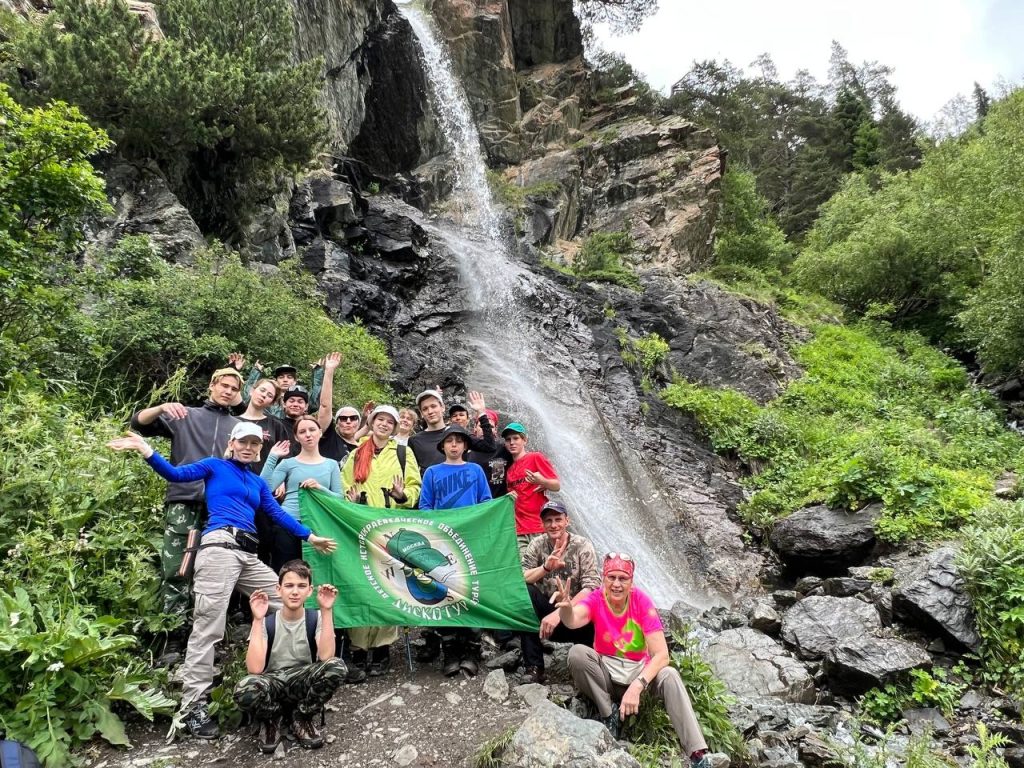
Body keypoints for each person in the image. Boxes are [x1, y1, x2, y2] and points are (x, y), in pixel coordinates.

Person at [107, 423, 337, 740]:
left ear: (260, 450)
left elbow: (278, 515)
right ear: (232, 443)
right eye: (243, 441)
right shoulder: (215, 466)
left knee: (288, 602)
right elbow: (176, 475)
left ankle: (296, 685)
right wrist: (146, 451)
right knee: (208, 628)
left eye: (255, 444)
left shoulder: (257, 482)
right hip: (218, 549)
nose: (249, 447)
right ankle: (192, 709)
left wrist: (310, 536)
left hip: (248, 554)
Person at [129, 367, 242, 664]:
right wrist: (162, 406)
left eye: (233, 387)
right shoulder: (186, 415)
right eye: (224, 385)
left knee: (213, 570)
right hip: (184, 498)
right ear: (212, 386)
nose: (228, 391)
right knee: (177, 567)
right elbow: (138, 422)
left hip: (220, 507)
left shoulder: (237, 425)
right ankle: (172, 637)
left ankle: (204, 637)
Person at [554, 554, 711, 768]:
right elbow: (572, 621)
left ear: (631, 581)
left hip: (639, 677)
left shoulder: (642, 602)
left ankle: (697, 754)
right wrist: (566, 607)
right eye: (611, 577)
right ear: (603, 578)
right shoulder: (597, 598)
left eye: (622, 578)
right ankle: (608, 715)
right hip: (607, 677)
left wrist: (638, 686)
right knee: (578, 654)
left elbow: (662, 655)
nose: (616, 584)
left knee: (670, 674)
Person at [340, 405, 422, 677]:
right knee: (362, 582)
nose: (384, 424)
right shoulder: (355, 454)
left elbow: (414, 488)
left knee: (389, 583)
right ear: (372, 422)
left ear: (396, 426)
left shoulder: (402, 452)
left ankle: (383, 646)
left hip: (390, 525)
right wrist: (348, 502)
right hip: (360, 526)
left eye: (390, 421)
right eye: (380, 420)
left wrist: (402, 495)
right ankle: (359, 645)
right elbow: (344, 487)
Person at [234, 560, 346, 753]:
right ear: (278, 589)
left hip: (303, 682)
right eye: (289, 586)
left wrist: (327, 610)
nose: (295, 592)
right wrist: (257, 619)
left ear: (309, 591)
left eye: (301, 586)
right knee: (245, 687)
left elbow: (327, 656)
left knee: (337, 666)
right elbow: (255, 669)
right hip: (273, 683)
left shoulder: (316, 618)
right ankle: (272, 718)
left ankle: (302, 716)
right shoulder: (267, 622)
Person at [419, 425, 493, 676]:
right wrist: (442, 524)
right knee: (444, 591)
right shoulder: (432, 472)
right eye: (449, 441)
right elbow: (425, 506)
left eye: (458, 441)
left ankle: (472, 649)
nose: (453, 445)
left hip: (470, 540)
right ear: (442, 446)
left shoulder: (475, 470)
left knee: (471, 591)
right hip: (442, 542)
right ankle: (449, 649)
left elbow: (485, 502)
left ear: (465, 446)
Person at [518, 501, 598, 684]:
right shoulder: (537, 545)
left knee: (598, 603)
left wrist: (560, 614)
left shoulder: (582, 546)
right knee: (524, 592)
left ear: (567, 521)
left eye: (558, 519)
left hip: (577, 618)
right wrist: (545, 568)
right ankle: (534, 667)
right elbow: (522, 576)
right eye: (548, 520)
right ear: (542, 524)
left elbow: (591, 587)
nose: (553, 525)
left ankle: (591, 669)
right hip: (545, 621)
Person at [260, 415, 343, 572]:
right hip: (288, 523)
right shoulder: (288, 463)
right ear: (297, 437)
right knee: (285, 571)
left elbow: (339, 498)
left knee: (315, 573)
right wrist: (272, 457)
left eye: (312, 430)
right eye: (302, 431)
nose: (308, 434)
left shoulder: (331, 465)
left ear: (320, 432)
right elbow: (264, 487)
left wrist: (320, 488)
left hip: (319, 524)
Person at [502, 422, 560, 553]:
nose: (512, 442)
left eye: (516, 438)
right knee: (525, 570)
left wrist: (543, 481)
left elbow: (556, 486)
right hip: (519, 529)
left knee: (546, 568)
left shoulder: (535, 457)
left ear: (524, 440)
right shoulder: (509, 471)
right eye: (508, 440)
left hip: (539, 525)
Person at [408, 389, 495, 475]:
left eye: (433, 406)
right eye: (425, 409)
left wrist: (482, 414)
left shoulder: (458, 432)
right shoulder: (414, 440)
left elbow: (489, 446)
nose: (430, 411)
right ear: (421, 413)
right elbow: (410, 472)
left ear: (442, 407)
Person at [230, 354, 325, 420]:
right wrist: (256, 371)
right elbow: (248, 397)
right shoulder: (268, 399)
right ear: (276, 381)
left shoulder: (299, 401)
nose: (285, 380)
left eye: (289, 377)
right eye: (281, 377)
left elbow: (315, 401)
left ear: (295, 381)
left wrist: (318, 372)